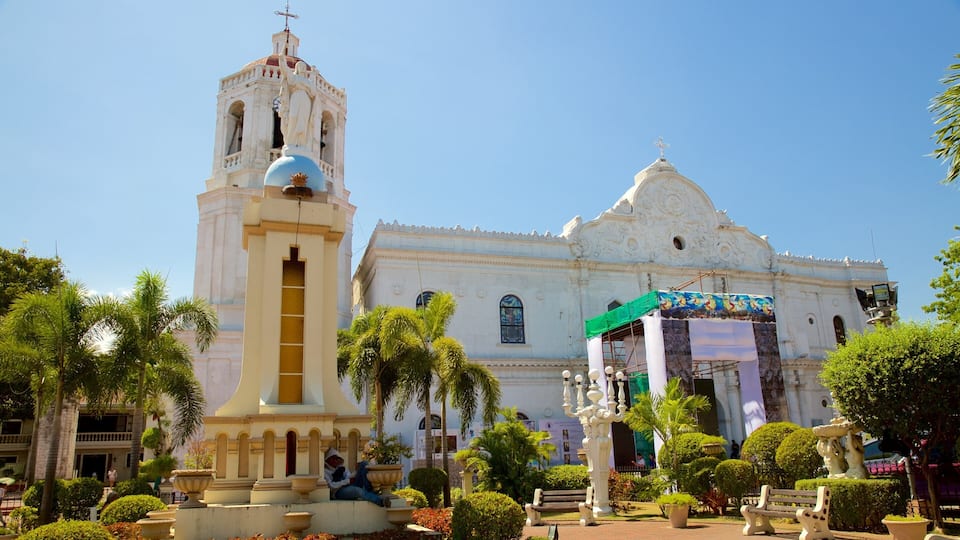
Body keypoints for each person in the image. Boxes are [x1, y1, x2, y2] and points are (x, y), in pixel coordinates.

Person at [323, 447, 390, 507]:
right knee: (357, 491)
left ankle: (369, 491)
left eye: (336, 458)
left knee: (364, 464)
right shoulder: (325, 472)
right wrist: (347, 481)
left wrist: (356, 471)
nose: (335, 460)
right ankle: (380, 501)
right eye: (332, 458)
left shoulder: (341, 468)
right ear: (327, 459)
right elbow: (332, 486)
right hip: (338, 492)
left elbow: (349, 477)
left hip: (349, 486)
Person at [276, 55, 315, 151]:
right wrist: (282, 60)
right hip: (295, 98)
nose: (302, 68)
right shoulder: (294, 77)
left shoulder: (308, 81)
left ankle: (301, 141)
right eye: (300, 66)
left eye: (303, 67)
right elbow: (285, 70)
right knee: (292, 117)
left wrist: (304, 85)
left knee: (303, 119)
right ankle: (291, 140)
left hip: (305, 100)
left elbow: (313, 92)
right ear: (297, 68)